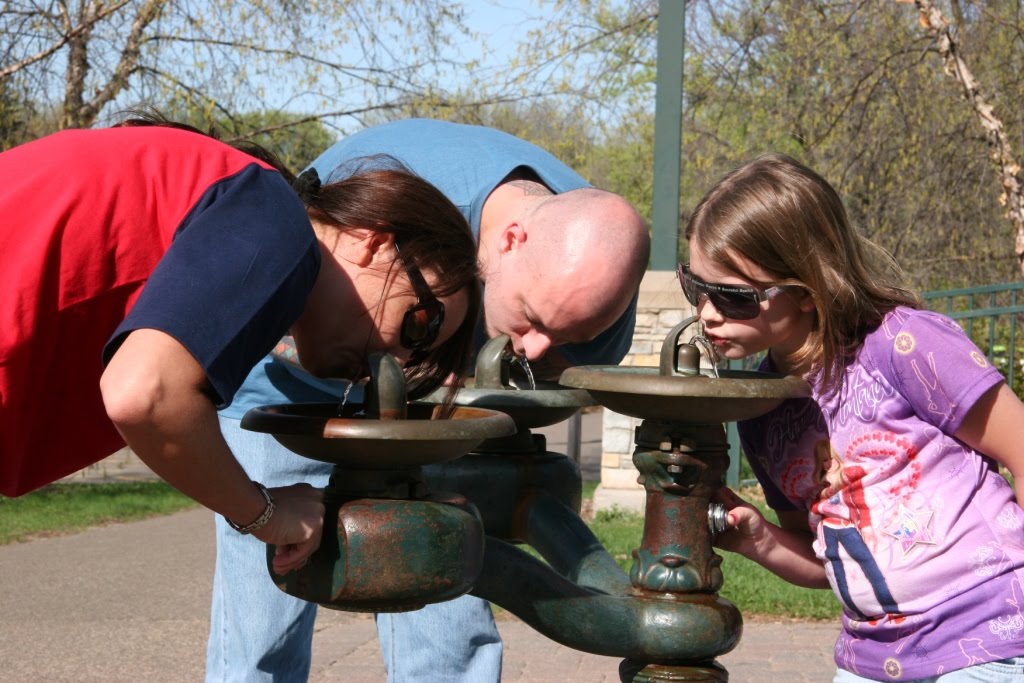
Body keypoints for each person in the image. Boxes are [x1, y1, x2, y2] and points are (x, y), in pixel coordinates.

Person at [206, 118, 651, 682]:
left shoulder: (594, 291)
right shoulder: (387, 182)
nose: (536, 347)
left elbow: (549, 389)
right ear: (511, 239)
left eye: (564, 336)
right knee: (262, 625)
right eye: (534, 319)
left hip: (442, 411)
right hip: (287, 389)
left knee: (445, 605)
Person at [0, 116, 482, 580]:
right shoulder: (273, 216)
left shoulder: (227, 199)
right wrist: (262, 512)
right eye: (420, 324)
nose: (395, 363)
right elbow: (146, 395)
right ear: (372, 241)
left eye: (417, 358)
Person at [683, 153, 1024, 681]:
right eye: (696, 288)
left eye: (732, 296)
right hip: (872, 657)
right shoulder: (762, 410)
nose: (707, 312)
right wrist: (760, 540)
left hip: (989, 636)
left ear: (802, 288)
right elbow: (828, 559)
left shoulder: (903, 346)